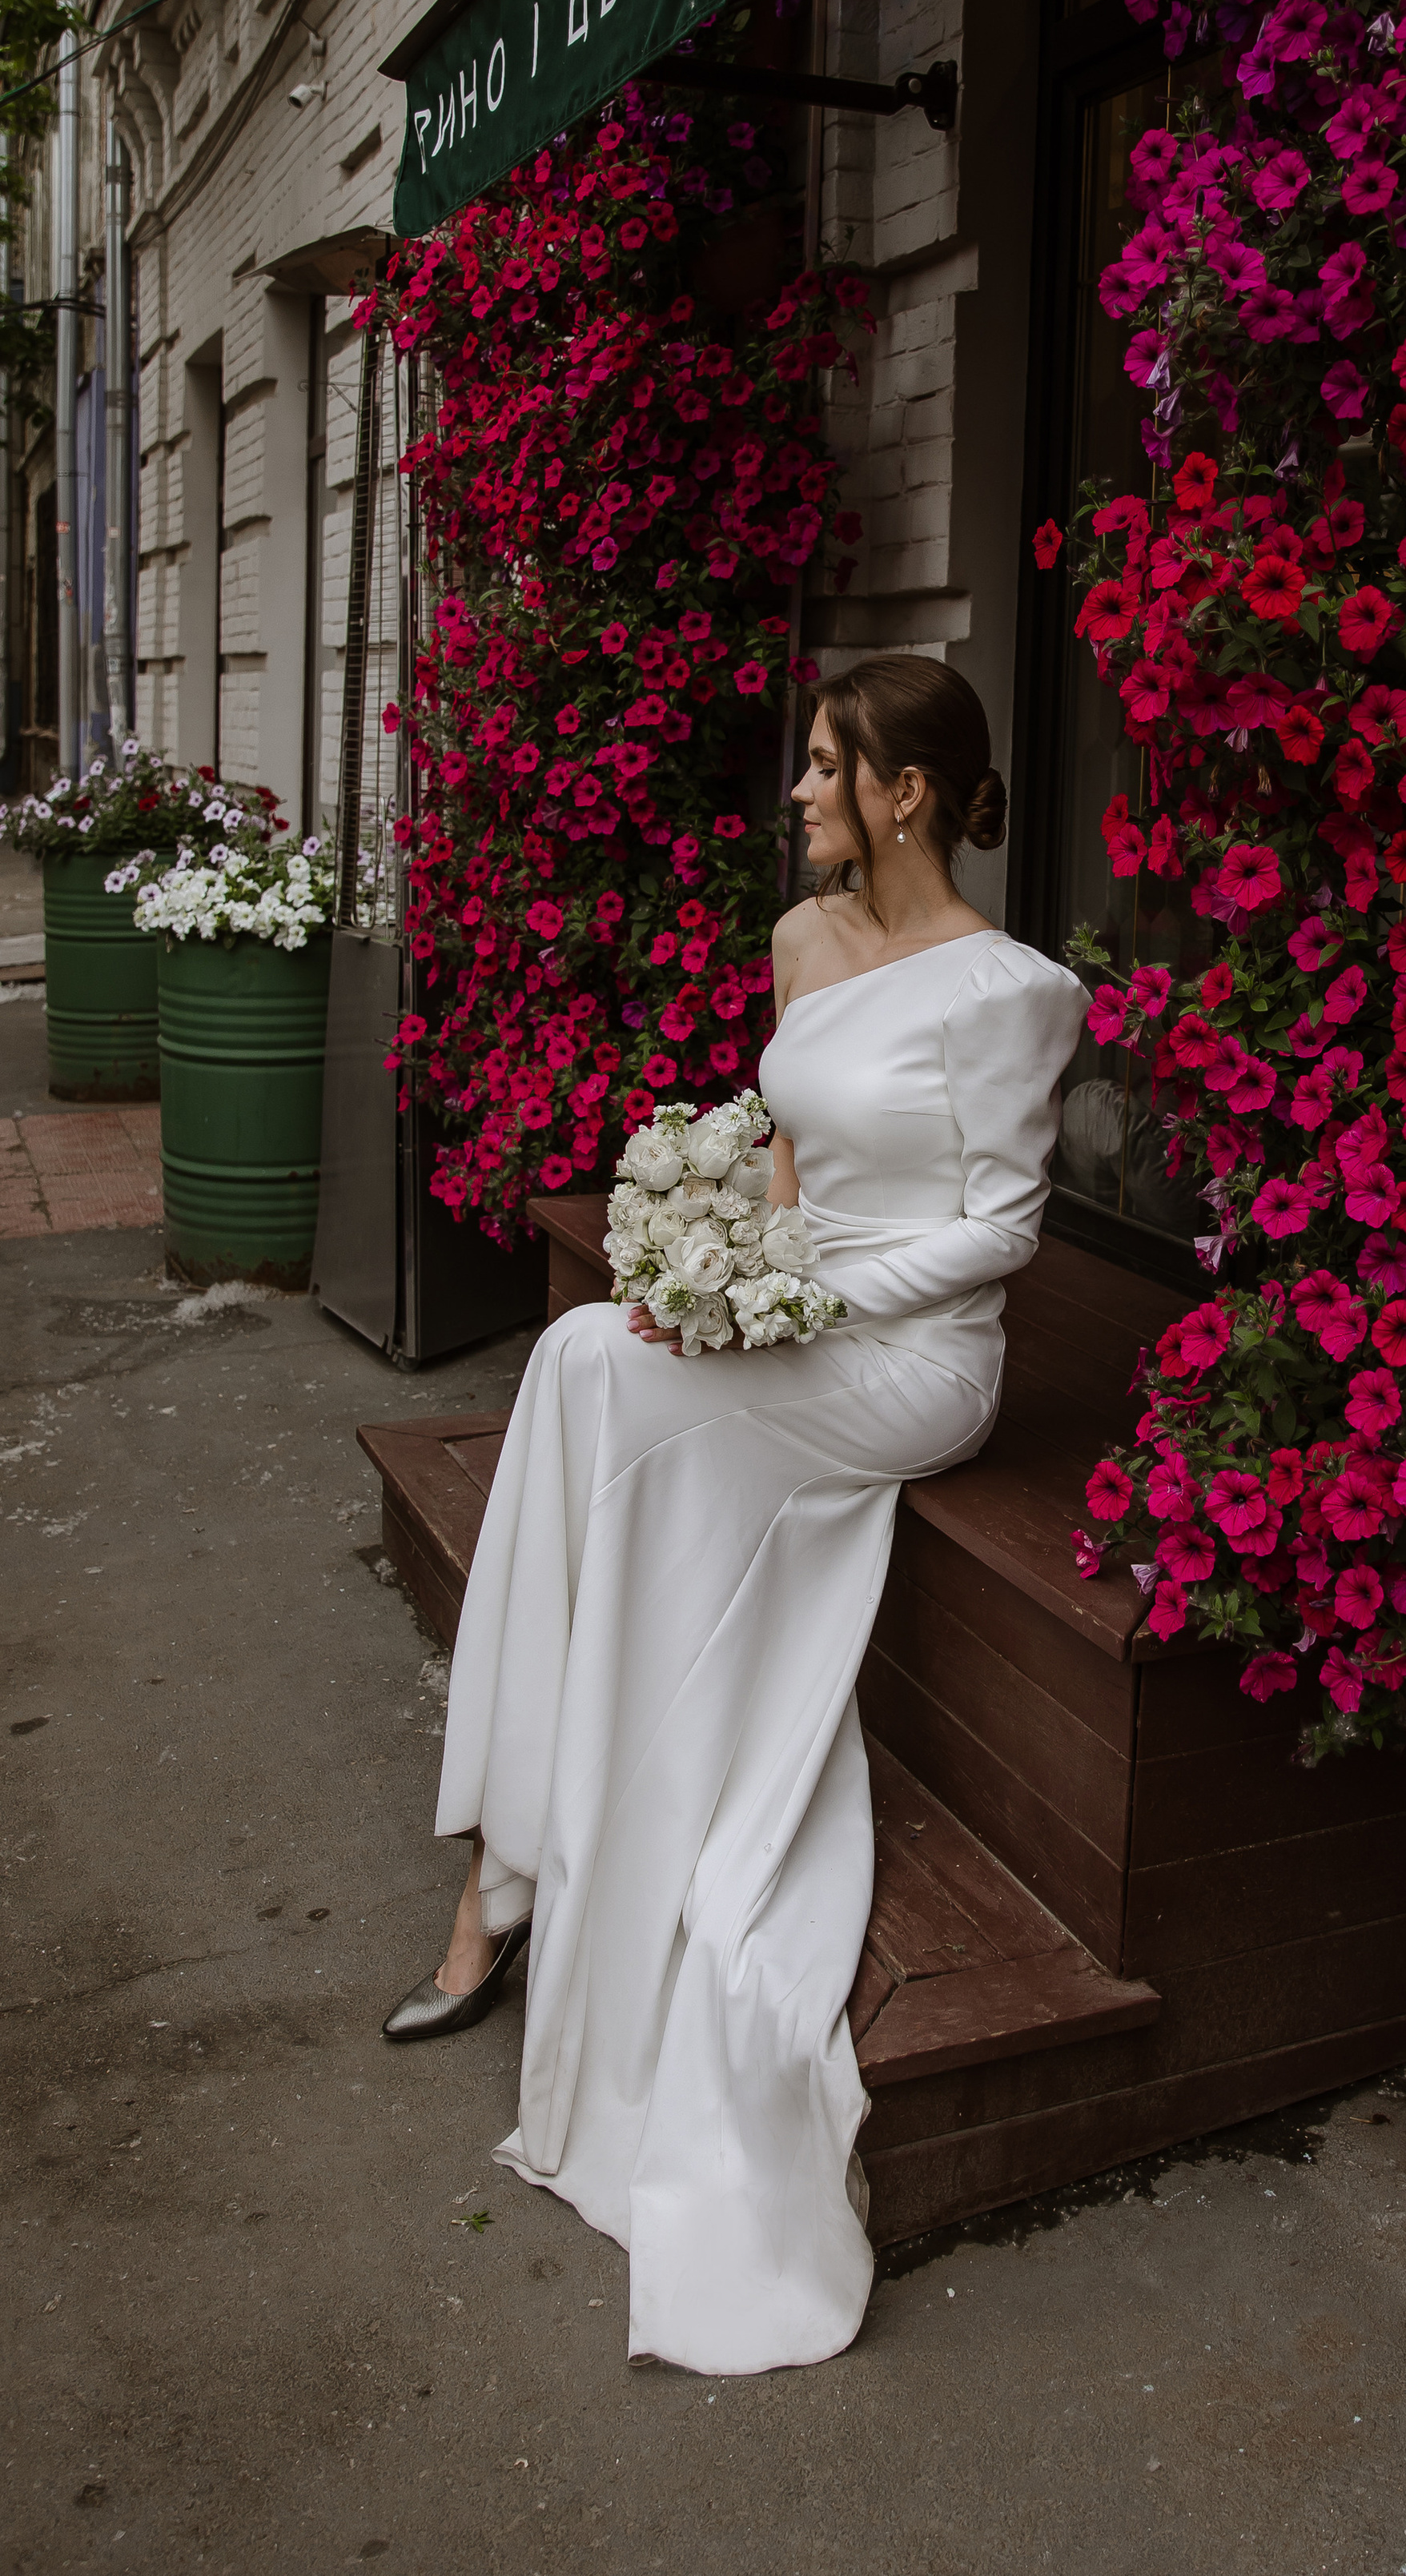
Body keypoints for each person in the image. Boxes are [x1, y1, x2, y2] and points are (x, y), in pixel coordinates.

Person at [380, 654, 1086, 2375]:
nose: (801, 793)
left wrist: (804, 1304)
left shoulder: (1014, 992)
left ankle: (515, 1877)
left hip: (913, 1361)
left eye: (829, 767)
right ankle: (506, 1866)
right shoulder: (801, 940)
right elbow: (784, 1154)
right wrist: (719, 1269)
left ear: (905, 793)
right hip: (786, 1315)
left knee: (602, 1381)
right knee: (583, 1354)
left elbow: (1000, 1232)